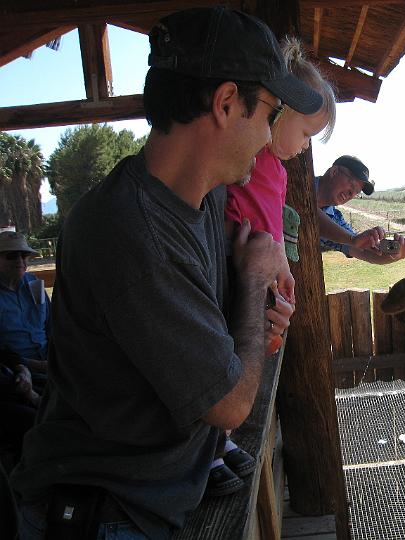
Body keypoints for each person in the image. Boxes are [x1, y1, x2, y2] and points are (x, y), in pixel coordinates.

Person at [10, 7, 322, 540]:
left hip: (157, 495)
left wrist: (263, 255)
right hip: (104, 514)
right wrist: (250, 287)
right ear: (226, 103)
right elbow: (229, 403)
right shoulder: (129, 230)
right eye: (269, 111)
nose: (270, 135)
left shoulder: (203, 201)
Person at [209, 36, 334, 498]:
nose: (304, 148)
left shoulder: (276, 171)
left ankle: (219, 441)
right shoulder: (245, 161)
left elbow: (276, 234)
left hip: (257, 275)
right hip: (231, 274)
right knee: (220, 351)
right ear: (277, 112)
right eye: (304, 134)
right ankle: (210, 446)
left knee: (251, 347)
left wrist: (283, 273)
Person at [0, 232, 47, 465]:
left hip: (49, 357)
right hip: (19, 367)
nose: (20, 261)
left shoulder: (34, 286)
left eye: (24, 255)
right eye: (11, 256)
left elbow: (54, 326)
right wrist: (30, 366)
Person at [316, 155, 405, 264]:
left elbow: (363, 251)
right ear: (334, 172)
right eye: (352, 186)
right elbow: (310, 214)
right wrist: (352, 240)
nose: (351, 194)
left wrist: (396, 255)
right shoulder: (298, 183)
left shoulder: (334, 219)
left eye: (356, 193)